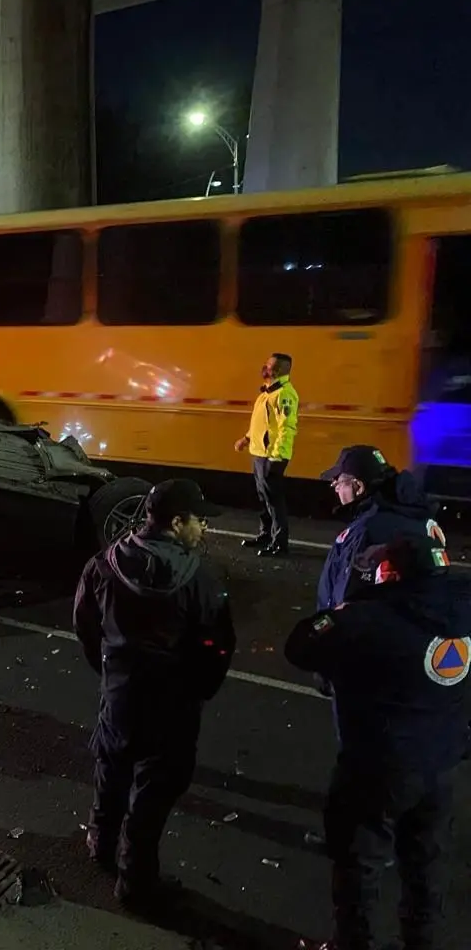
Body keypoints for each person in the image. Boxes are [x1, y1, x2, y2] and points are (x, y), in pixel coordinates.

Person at [286, 536, 470, 950]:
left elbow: (299, 646)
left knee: (359, 865)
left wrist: (344, 607)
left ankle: (355, 943)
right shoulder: (462, 607)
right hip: (440, 760)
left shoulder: (367, 618)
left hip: (378, 765)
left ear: (389, 573)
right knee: (425, 863)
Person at [73, 478, 235, 909]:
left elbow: (86, 627)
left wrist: (110, 671)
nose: (203, 529)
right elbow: (218, 646)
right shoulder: (201, 578)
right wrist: (199, 690)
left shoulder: (104, 564)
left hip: (122, 695)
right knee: (153, 794)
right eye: (199, 521)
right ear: (176, 523)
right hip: (173, 704)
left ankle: (100, 843)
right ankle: (135, 882)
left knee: (111, 770)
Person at [317, 444, 444, 611]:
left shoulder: (366, 529)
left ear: (358, 486)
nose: (336, 487)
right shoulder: (419, 516)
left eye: (338, 482)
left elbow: (347, 596)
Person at [234, 352, 299, 557]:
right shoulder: (266, 393)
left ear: (278, 370)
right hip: (259, 453)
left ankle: (279, 543)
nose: (265, 367)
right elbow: (262, 425)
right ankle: (265, 535)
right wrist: (246, 439)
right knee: (264, 498)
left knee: (274, 500)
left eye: (269, 366)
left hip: (272, 456)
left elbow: (286, 428)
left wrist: (277, 457)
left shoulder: (284, 394)